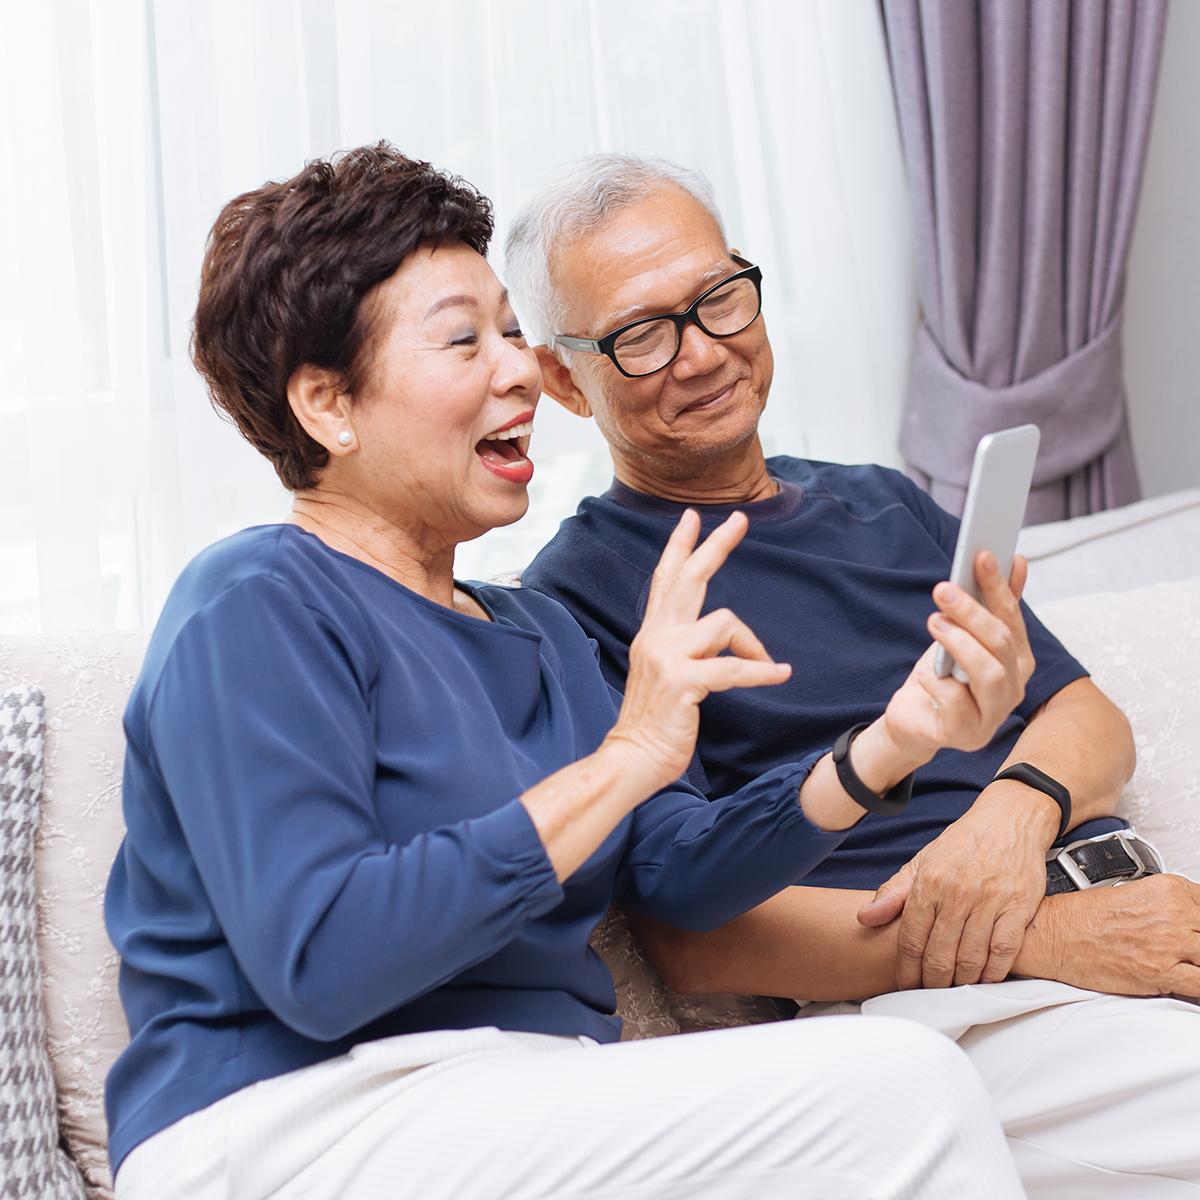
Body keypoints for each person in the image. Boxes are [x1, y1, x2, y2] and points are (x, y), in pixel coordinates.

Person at [103, 144, 1029, 1200]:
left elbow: (683, 871)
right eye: (463, 341)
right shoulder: (255, 600)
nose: (517, 371)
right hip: (288, 1121)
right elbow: (323, 960)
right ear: (327, 405)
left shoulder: (537, 631)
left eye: (509, 329)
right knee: (906, 1086)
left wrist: (890, 742)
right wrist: (628, 756)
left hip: (529, 1099)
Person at [509, 152, 1200, 1195]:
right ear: (563, 377)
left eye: (720, 299)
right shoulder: (579, 598)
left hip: (1128, 916)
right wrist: (1048, 936)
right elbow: (699, 939)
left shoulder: (885, 501)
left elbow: (1088, 717)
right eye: (643, 335)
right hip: (957, 1011)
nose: (703, 354)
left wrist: (1013, 812)